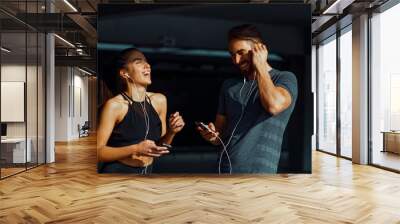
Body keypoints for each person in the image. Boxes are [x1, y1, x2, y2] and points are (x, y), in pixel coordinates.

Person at [197, 24, 298, 173]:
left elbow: (274, 105)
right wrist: (212, 136)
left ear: (259, 49)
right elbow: (221, 132)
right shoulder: (229, 86)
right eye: (232, 54)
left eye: (241, 52)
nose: (236, 61)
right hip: (224, 168)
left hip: (260, 173)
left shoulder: (284, 78)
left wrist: (260, 65)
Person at [97, 48, 185, 174]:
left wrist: (171, 132)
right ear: (124, 73)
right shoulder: (115, 106)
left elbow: (159, 148)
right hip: (117, 173)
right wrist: (136, 149)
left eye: (147, 62)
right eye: (138, 62)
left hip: (148, 171)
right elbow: (98, 152)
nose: (147, 65)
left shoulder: (159, 100)